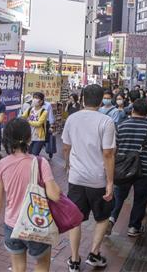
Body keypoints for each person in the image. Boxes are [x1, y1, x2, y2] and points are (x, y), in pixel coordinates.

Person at [0, 118, 61, 272]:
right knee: (42, 264)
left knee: (18, 268)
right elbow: (55, 196)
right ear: (29, 138)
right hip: (36, 224)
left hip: (11, 225)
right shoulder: (40, 163)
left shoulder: (1, 165)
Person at [62, 84, 115, 271]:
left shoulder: (72, 119)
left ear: (83, 98)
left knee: (75, 219)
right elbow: (108, 154)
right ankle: (94, 254)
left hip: (76, 178)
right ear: (102, 101)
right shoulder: (106, 121)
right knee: (102, 217)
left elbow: (66, 147)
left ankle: (74, 260)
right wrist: (110, 182)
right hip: (98, 179)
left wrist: (67, 164)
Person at [107, 98, 147, 237]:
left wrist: (111, 167)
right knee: (140, 199)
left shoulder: (121, 126)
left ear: (132, 110)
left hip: (122, 169)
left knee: (118, 196)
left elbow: (112, 149)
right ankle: (134, 227)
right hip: (145, 171)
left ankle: (110, 219)